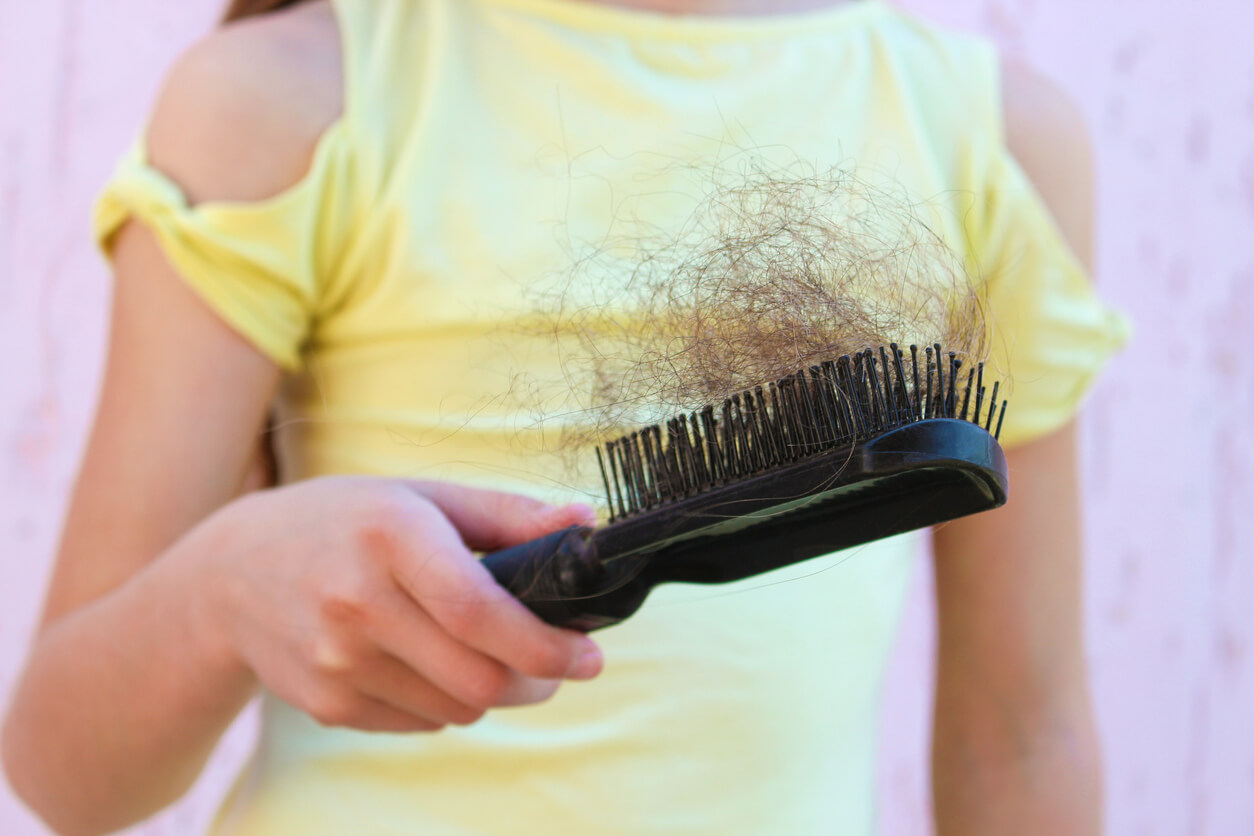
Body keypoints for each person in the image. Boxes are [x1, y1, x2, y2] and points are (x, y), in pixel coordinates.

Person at [1, 0, 1128, 833]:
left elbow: (1020, 736)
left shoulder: (990, 141)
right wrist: (222, 592)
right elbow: (64, 772)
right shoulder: (290, 98)